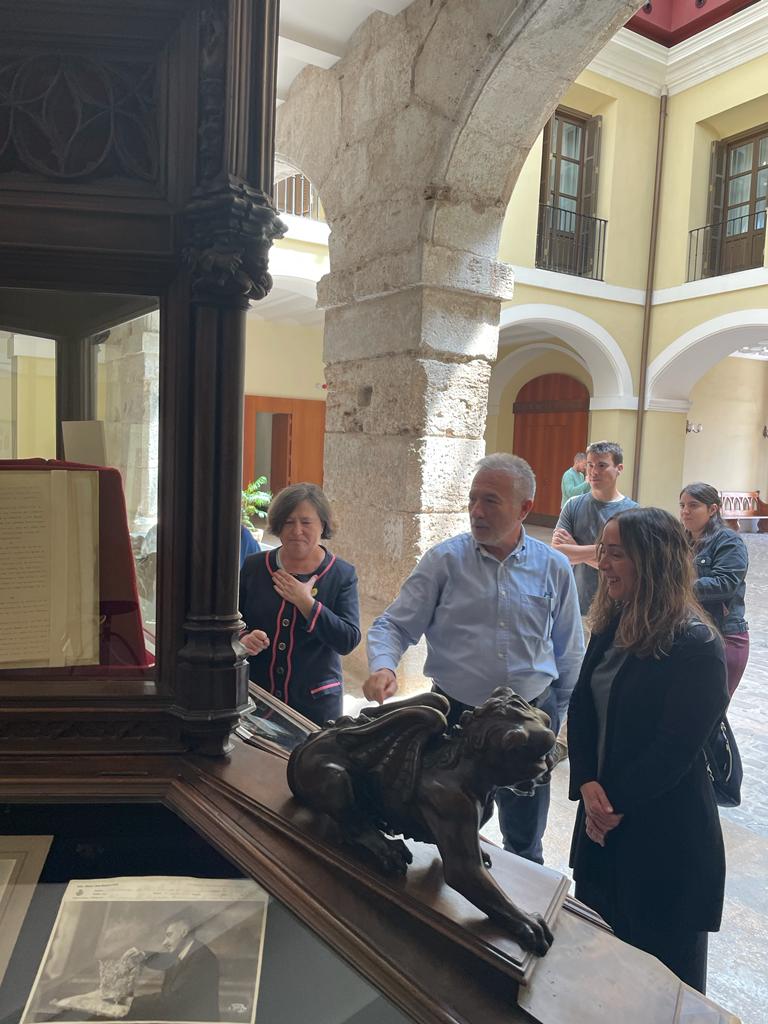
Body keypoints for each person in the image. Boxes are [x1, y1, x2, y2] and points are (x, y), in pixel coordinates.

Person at [363, 452, 584, 864]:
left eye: (490, 501)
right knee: (445, 828)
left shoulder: (554, 568)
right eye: (472, 500)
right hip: (457, 718)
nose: (476, 512)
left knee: (525, 839)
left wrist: (565, 726)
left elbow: (570, 653)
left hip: (531, 717)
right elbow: (393, 625)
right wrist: (382, 666)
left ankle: (522, 908)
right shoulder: (444, 561)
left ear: (525, 508)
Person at [567, 507, 728, 994]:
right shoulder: (612, 621)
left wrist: (608, 802)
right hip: (603, 827)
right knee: (598, 970)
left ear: (652, 560)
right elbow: (582, 706)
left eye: (615, 554)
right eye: (602, 552)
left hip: (663, 839)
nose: (603, 564)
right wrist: (586, 783)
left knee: (659, 986)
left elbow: (674, 750)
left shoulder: (696, 645)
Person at [239, 483, 361, 726]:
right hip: (258, 698)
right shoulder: (255, 566)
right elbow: (233, 619)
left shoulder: (341, 574)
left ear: (323, 525)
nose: (297, 531)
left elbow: (347, 639)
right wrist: (244, 638)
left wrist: (306, 603)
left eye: (306, 522)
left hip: (316, 706)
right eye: (288, 522)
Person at [680, 482, 749, 697]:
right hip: (691, 630)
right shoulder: (683, 540)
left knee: (710, 712)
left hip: (724, 635)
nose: (685, 511)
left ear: (713, 509)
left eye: (693, 505)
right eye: (682, 505)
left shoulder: (729, 540)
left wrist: (676, 587)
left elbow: (725, 583)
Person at [553, 440, 638, 615]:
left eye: (602, 465)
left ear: (619, 468)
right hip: (578, 603)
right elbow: (558, 554)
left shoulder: (633, 512)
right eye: (590, 465)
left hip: (618, 607)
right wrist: (610, 552)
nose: (594, 472)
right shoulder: (573, 506)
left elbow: (630, 565)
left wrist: (576, 549)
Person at [125, 914, 220, 1021]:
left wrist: (131, 1002)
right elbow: (162, 959)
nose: (164, 942)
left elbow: (172, 999)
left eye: (169, 935)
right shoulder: (183, 954)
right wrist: (142, 955)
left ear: (184, 932)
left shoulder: (203, 958)